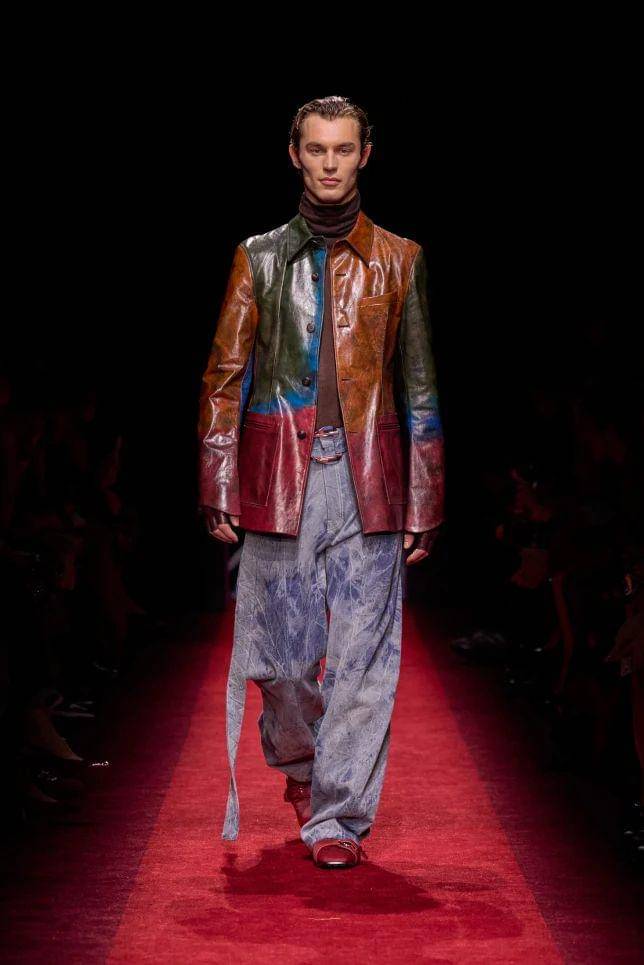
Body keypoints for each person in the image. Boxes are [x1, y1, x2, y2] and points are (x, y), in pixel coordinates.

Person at [197, 95, 445, 869]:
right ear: (294, 154)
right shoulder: (259, 257)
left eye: (343, 149)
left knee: (366, 658)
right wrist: (218, 481)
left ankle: (338, 817)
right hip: (279, 473)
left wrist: (426, 494)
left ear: (365, 154)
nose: (330, 162)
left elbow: (420, 384)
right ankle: (303, 762)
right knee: (280, 658)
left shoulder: (401, 258)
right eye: (316, 148)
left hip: (372, 473)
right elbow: (223, 375)